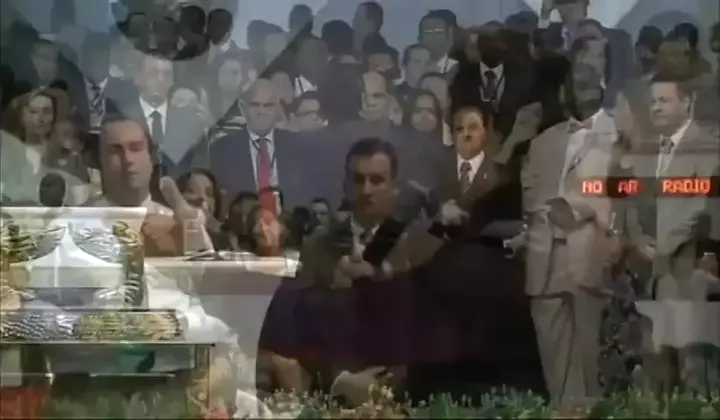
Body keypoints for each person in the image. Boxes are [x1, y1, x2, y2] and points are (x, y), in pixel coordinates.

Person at [521, 63, 618, 407]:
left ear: (602, 88)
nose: (584, 90)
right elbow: (529, 196)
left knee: (594, 353)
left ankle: (599, 411)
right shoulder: (543, 141)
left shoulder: (623, 135)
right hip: (543, 255)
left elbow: (630, 195)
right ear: (564, 93)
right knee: (554, 354)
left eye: (590, 83)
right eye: (576, 84)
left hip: (593, 249)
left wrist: (609, 228)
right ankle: (564, 410)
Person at [625, 74, 720, 395]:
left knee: (692, 365)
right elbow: (631, 204)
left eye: (664, 100)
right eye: (653, 101)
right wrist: (637, 239)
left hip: (688, 269)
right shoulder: (647, 151)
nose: (656, 108)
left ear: (687, 102)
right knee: (656, 366)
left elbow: (703, 207)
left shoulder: (708, 147)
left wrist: (664, 247)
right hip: (649, 274)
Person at [86, 114, 213, 255]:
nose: (127, 159)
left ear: (151, 159)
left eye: (135, 148)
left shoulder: (177, 221)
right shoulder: (80, 221)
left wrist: (177, 229)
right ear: (99, 160)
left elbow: (206, 265)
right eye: (115, 151)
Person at [209, 79, 320, 210]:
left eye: (268, 105)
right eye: (255, 105)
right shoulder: (222, 149)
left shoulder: (297, 146)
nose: (261, 111)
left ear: (277, 108)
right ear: (243, 108)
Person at [418, 10, 457, 75]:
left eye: (438, 31)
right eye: (427, 31)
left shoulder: (459, 70)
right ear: (419, 38)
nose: (432, 36)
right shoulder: (409, 70)